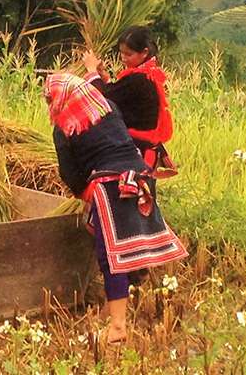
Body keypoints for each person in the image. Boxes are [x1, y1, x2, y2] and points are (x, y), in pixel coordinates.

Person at [44, 73, 186, 345]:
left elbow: (69, 173)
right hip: (141, 178)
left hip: (112, 186)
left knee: (111, 257)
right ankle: (113, 308)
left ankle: (118, 327)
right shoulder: (108, 107)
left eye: (49, 99)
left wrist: (84, 194)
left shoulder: (63, 126)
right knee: (131, 250)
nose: (50, 104)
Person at [82, 26, 174, 171]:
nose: (123, 58)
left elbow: (104, 97)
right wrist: (103, 77)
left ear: (144, 53)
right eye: (122, 53)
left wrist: (91, 70)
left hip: (137, 149)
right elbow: (118, 94)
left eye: (128, 54)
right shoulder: (146, 74)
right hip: (142, 147)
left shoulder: (139, 79)